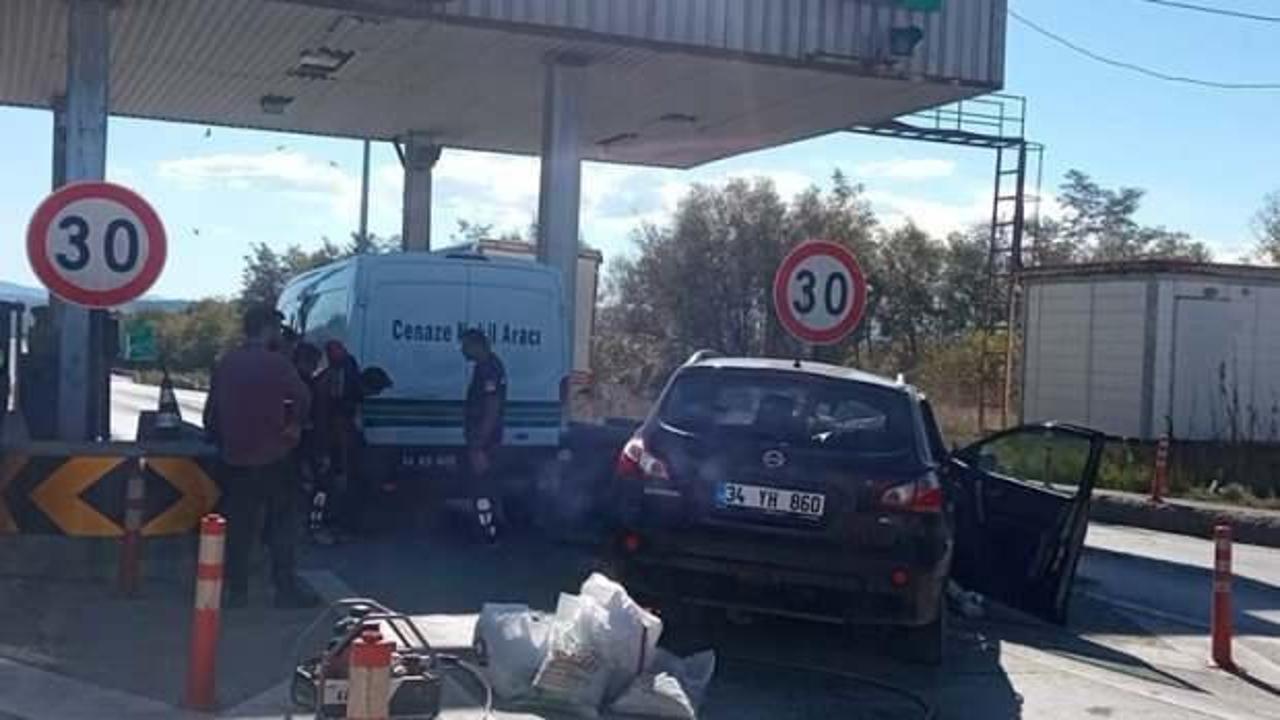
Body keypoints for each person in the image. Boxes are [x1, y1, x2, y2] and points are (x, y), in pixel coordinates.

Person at [203, 305, 318, 608]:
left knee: (239, 527)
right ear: (267, 329)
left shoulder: (226, 363)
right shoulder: (277, 364)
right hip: (274, 457)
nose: (280, 335)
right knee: (282, 526)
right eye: (277, 329)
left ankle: (236, 591)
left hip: (235, 459)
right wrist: (293, 426)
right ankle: (285, 588)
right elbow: (304, 397)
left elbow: (210, 414)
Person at [460, 328, 507, 545]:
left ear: (477, 345)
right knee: (487, 486)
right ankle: (491, 528)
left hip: (485, 441)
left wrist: (479, 444)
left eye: (465, 345)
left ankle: (488, 532)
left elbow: (492, 407)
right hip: (484, 439)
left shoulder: (490, 369)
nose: (462, 350)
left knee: (483, 487)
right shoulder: (484, 366)